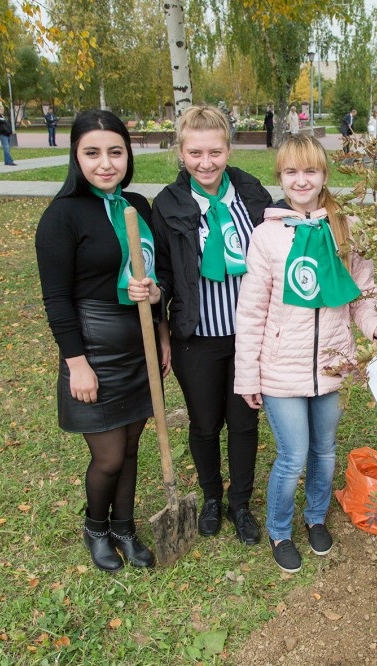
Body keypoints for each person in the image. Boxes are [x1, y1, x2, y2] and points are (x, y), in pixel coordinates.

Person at [233, 134, 377, 573]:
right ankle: (281, 528)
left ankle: (315, 517)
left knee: (324, 451)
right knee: (294, 455)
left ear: (324, 175)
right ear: (281, 178)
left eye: (310, 171)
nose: (301, 180)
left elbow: (361, 294)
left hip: (332, 363)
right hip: (279, 369)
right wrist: (248, 377)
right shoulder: (267, 237)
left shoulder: (344, 228)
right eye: (291, 172)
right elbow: (250, 313)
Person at [35, 109, 158, 572]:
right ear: (76, 157)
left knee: (131, 449)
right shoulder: (62, 216)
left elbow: (151, 279)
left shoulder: (138, 208)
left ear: (127, 155)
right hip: (95, 352)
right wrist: (76, 363)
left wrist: (160, 322)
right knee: (108, 456)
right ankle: (96, 527)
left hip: (138, 348)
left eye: (115, 152)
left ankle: (125, 526)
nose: (105, 163)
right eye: (92, 153)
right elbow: (56, 299)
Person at [148, 105, 273, 546]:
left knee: (243, 422)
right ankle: (211, 497)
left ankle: (240, 502)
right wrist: (156, 301)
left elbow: (280, 243)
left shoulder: (250, 191)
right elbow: (162, 269)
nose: (206, 163)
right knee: (204, 423)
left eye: (215, 152)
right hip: (196, 336)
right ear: (181, 151)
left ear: (228, 149)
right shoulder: (166, 204)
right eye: (195, 152)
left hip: (248, 336)